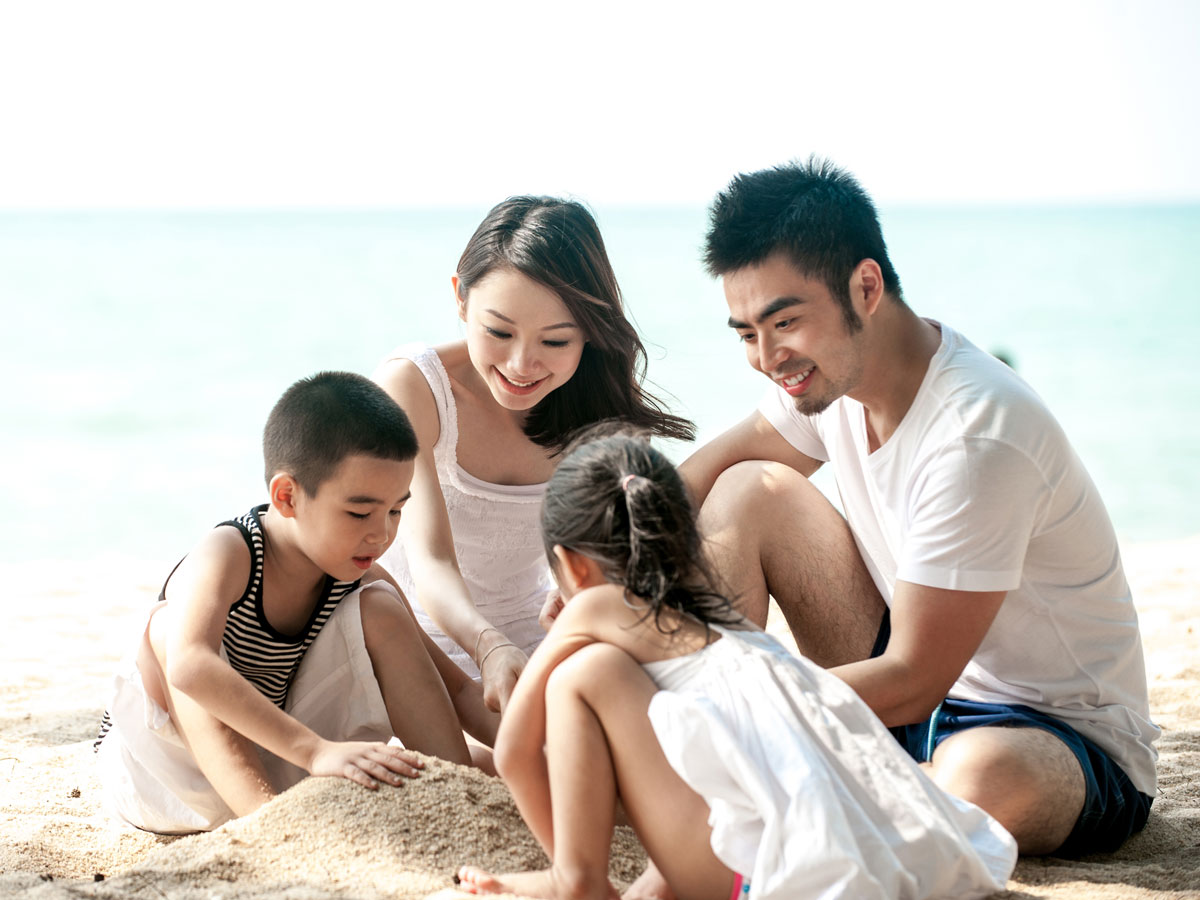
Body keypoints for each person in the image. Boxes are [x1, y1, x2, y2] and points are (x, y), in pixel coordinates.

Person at [680, 157, 1159, 857]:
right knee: (750, 489)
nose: (767, 356)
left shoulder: (977, 432)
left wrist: (747, 712)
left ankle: (784, 775)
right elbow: (705, 471)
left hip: (1059, 738)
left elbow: (914, 677)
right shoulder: (827, 380)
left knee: (980, 773)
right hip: (914, 705)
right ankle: (775, 776)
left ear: (865, 286)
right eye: (747, 333)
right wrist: (603, 558)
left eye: (784, 321)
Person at [455, 431, 1016, 900]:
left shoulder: (600, 606)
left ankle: (573, 877)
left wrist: (568, 637)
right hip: (909, 864)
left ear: (573, 567)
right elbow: (738, 774)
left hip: (777, 884)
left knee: (582, 674)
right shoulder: (733, 633)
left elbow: (514, 750)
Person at [95, 372, 497, 834]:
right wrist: (314, 750)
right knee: (168, 632)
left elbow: (460, 692)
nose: (381, 533)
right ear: (287, 497)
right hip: (166, 777)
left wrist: (535, 746)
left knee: (382, 604)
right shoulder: (229, 552)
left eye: (395, 510)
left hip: (276, 754)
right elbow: (188, 666)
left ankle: (455, 797)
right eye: (359, 512)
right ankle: (273, 832)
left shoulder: (356, 572)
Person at [374, 196, 694, 714]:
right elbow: (428, 560)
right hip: (413, 637)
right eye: (498, 332)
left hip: (536, 636)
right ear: (460, 298)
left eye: (555, 341)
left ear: (589, 332)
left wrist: (589, 589)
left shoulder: (610, 420)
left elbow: (626, 556)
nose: (522, 364)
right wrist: (487, 644)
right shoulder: (415, 387)